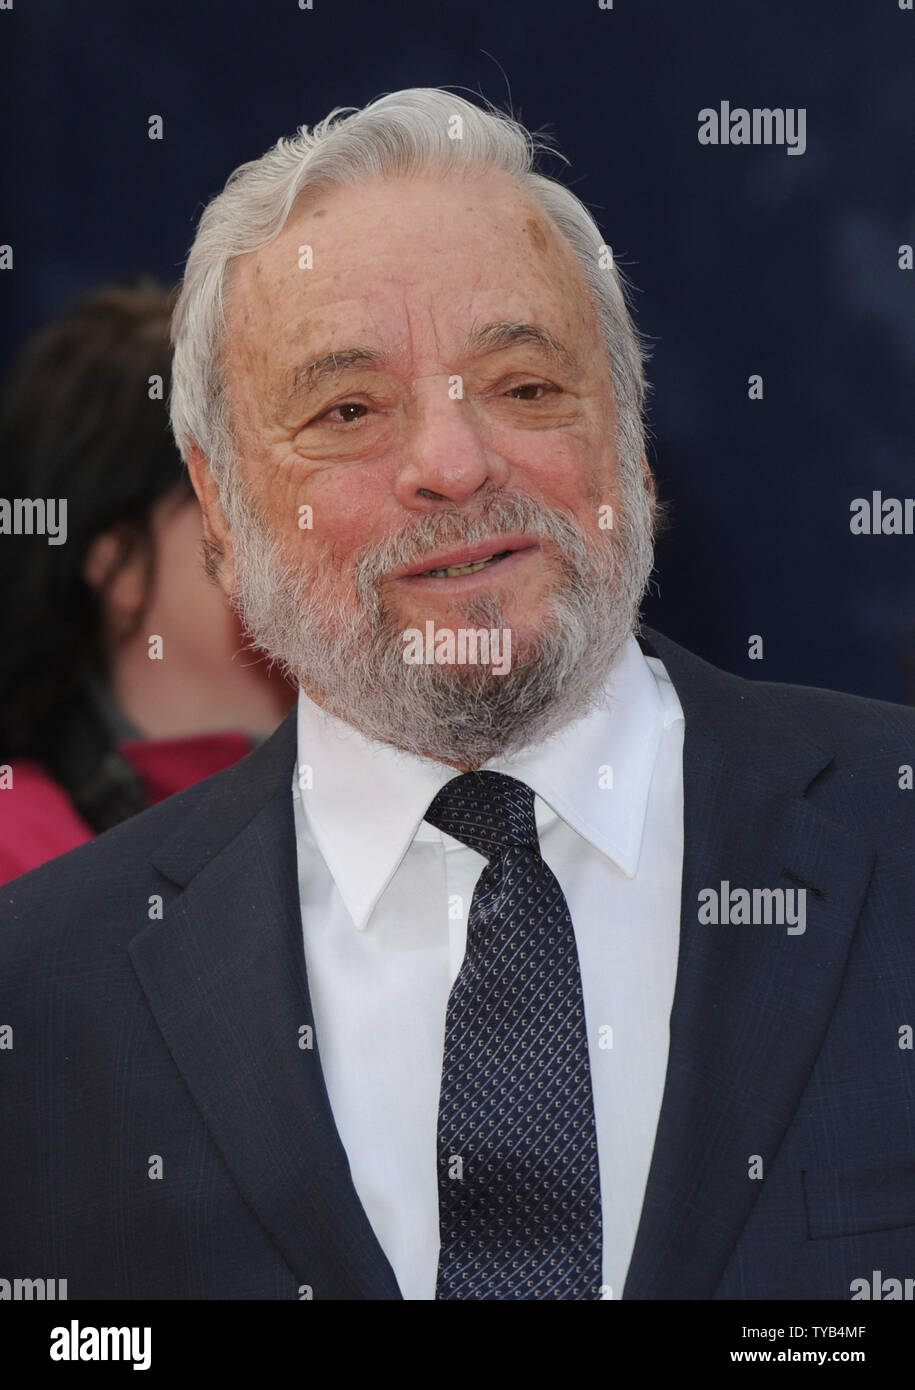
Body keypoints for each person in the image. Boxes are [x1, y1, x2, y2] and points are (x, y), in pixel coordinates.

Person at [0, 89, 912, 1302]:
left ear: (630, 441)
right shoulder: (46, 989)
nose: (453, 462)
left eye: (527, 385)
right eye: (349, 410)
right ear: (220, 511)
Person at [0, 280, 294, 882]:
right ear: (119, 566)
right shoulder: (19, 858)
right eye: (229, 496)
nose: (288, 527)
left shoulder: (397, 783)